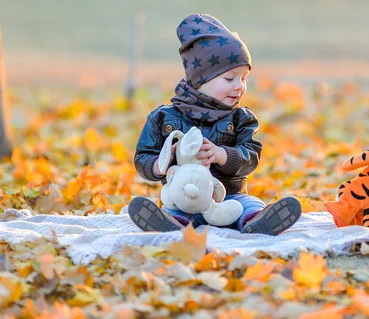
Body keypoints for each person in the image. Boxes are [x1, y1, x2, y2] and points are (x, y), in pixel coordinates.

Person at [128, 14, 301, 235]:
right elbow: (143, 157)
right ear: (201, 79)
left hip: (230, 197)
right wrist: (159, 164)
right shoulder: (164, 119)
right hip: (185, 197)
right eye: (230, 79)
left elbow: (251, 157)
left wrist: (223, 155)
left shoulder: (241, 119)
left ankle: (256, 222)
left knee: (249, 205)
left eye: (244, 78)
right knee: (177, 212)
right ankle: (172, 225)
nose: (239, 86)